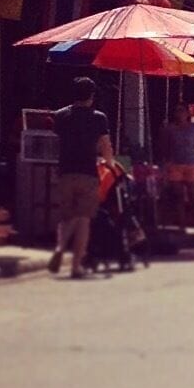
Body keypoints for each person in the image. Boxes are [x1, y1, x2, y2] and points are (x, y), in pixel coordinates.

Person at [50, 75, 115, 279]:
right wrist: (110, 164)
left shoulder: (60, 116)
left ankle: (60, 246)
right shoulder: (99, 118)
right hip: (88, 172)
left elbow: (55, 143)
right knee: (83, 219)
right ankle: (76, 265)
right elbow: (105, 146)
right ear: (92, 96)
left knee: (66, 217)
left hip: (65, 171)